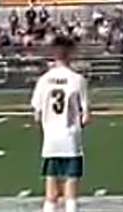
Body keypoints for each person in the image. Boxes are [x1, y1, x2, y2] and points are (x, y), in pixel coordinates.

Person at [31, 35, 90, 212]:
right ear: (70, 54)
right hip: (70, 138)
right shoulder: (77, 79)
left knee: (51, 189)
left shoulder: (44, 80)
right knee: (70, 190)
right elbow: (86, 116)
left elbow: (36, 113)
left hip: (50, 140)